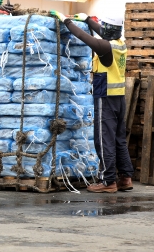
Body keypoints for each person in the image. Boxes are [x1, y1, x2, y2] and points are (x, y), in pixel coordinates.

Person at [50, 10, 133, 193]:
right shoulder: (120, 43)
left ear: (109, 28)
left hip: (106, 98)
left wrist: (66, 20)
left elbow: (82, 36)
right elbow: (103, 33)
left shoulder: (105, 48)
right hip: (119, 98)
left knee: (104, 141)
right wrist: (88, 19)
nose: (101, 28)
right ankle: (125, 177)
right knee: (119, 139)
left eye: (104, 25)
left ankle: (108, 181)